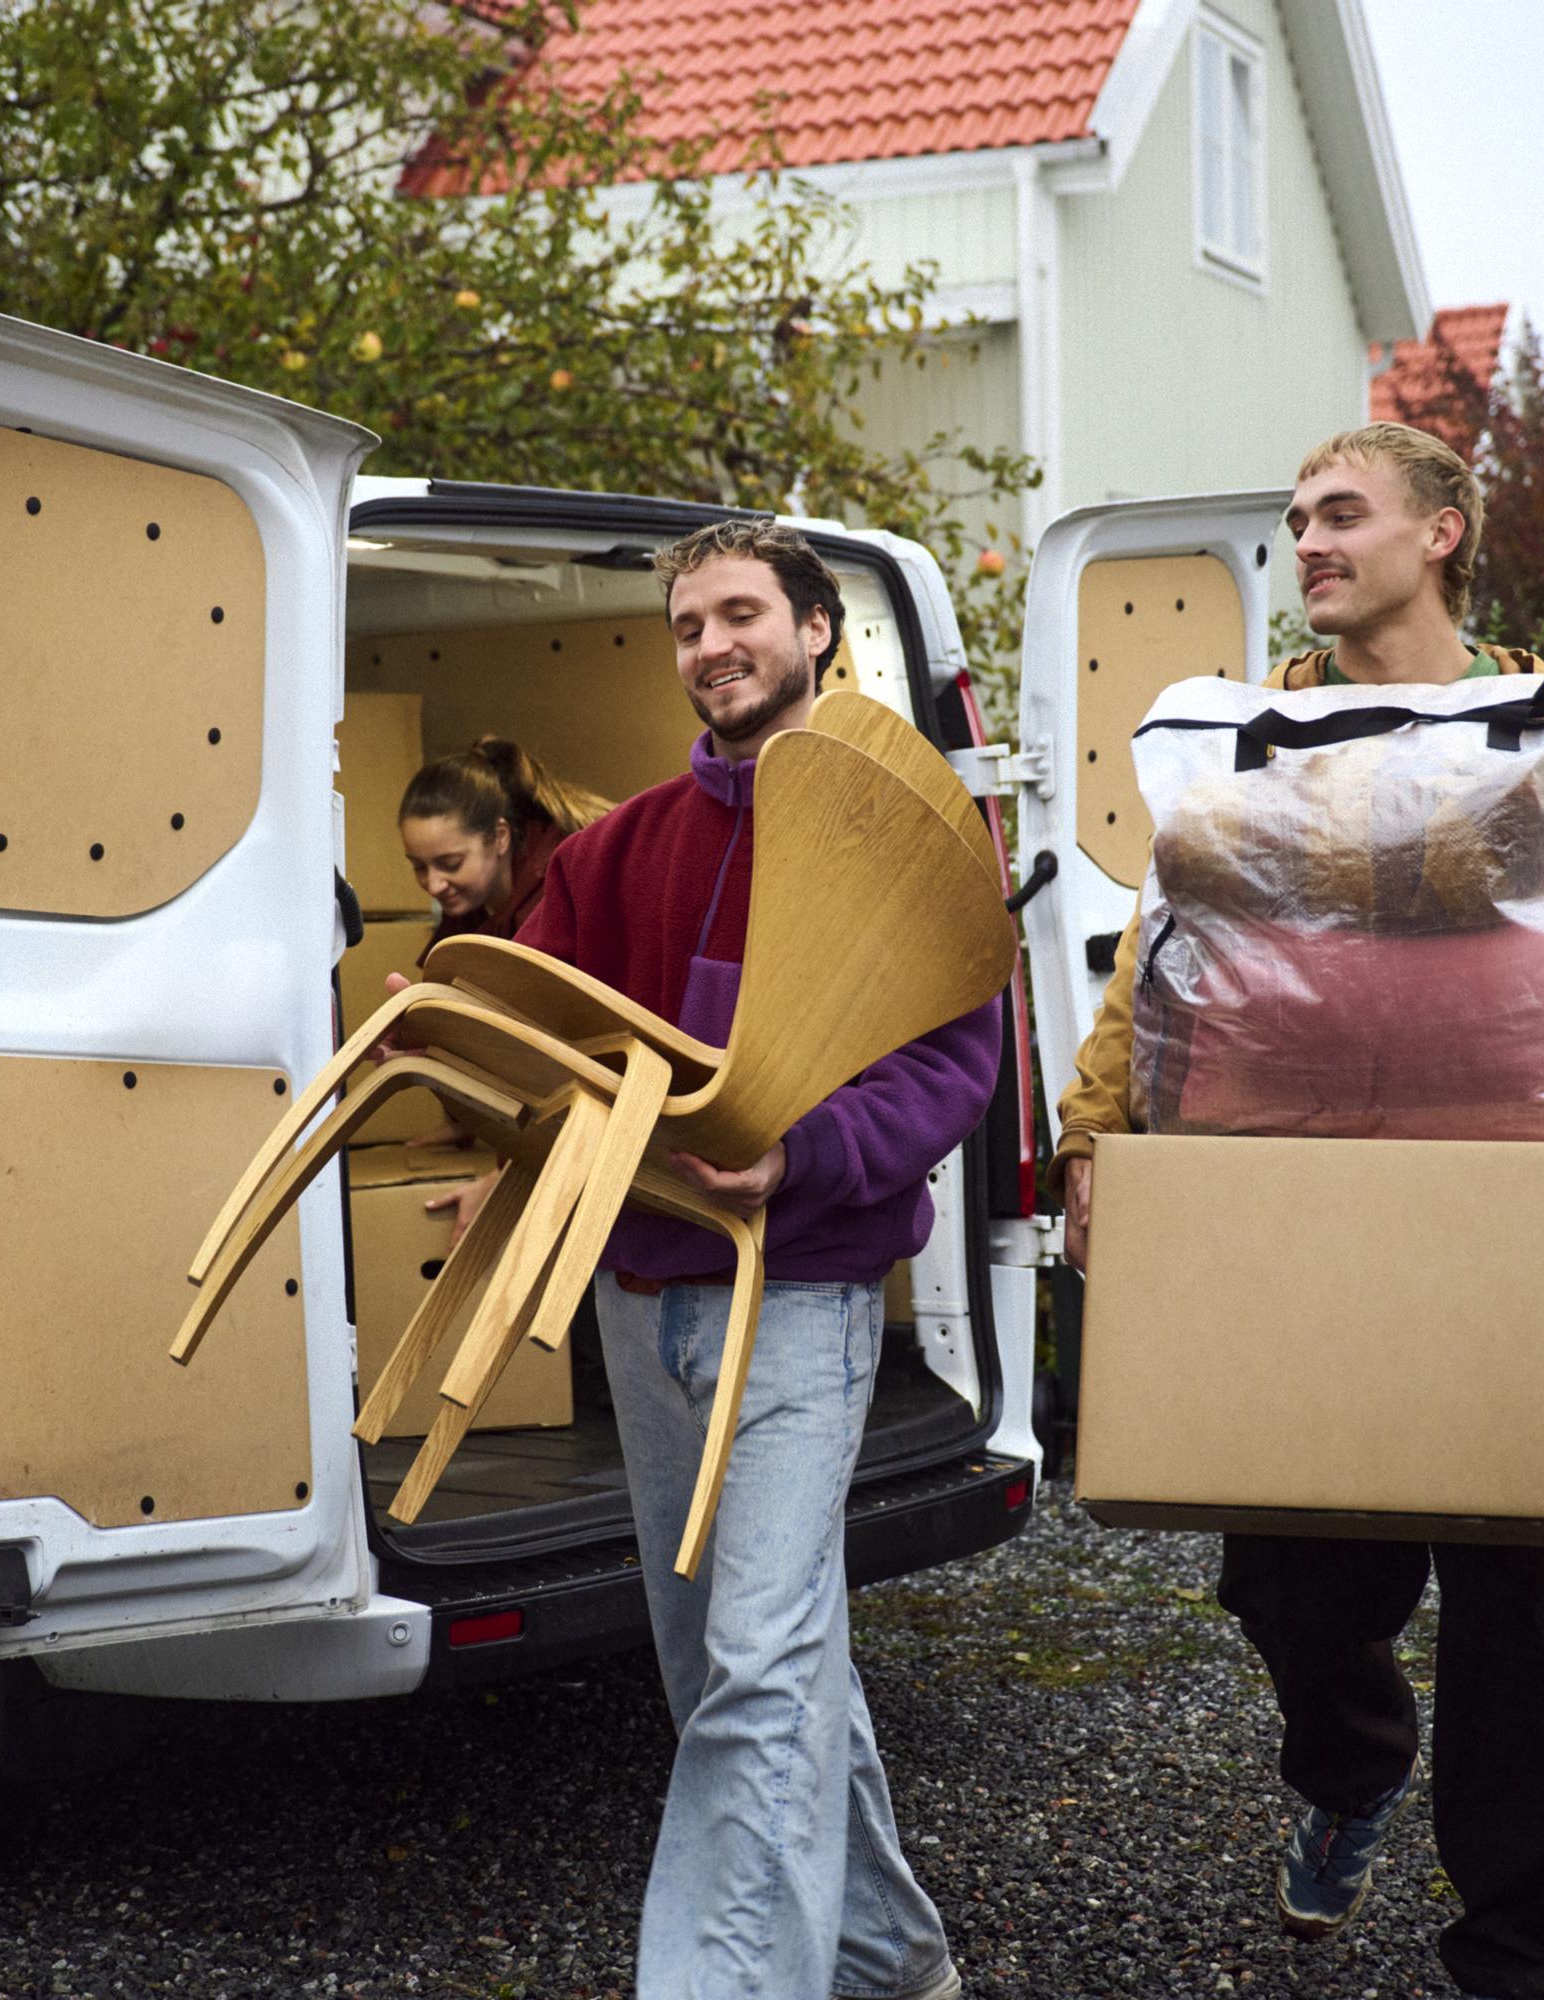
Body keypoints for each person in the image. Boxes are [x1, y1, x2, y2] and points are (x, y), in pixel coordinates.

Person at [1050, 421, 1544, 2000]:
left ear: (1444, 532)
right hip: (1294, 1221)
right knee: (1290, 1578)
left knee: (1528, 1616)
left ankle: (1521, 1960)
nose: (1309, 543)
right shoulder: (1252, 743)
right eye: (1297, 520)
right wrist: (1091, 1135)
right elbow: (1163, 961)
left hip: (1535, 1219)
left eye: (1342, 513)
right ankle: (1351, 1763)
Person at [462, 519, 997, 2000]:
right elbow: (551, 1035)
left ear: (817, 629)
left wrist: (801, 1154)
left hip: (800, 1297)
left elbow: (954, 1062)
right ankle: (890, 1957)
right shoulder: (618, 849)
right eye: (689, 625)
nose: (712, 646)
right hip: (641, 1305)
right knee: (733, 1665)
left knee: (757, 1665)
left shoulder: (899, 835)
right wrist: (490, 1082)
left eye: (741, 613)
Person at [396, 737, 612, 952]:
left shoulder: (562, 886)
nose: (433, 886)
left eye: (451, 863)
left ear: (500, 837)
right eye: (419, 867)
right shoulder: (469, 904)